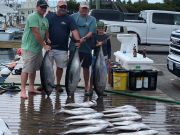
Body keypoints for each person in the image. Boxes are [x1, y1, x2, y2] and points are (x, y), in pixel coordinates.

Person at [46, 0, 81, 92]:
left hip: (62, 48)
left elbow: (74, 30)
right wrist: (47, 40)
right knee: (47, 67)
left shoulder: (69, 18)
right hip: (49, 47)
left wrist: (77, 40)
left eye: (64, 7)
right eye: (61, 6)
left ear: (66, 8)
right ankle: (46, 83)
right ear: (57, 7)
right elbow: (45, 29)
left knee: (60, 67)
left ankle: (57, 84)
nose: (63, 8)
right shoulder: (49, 16)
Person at [20, 0, 51, 99]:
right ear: (37, 7)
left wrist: (48, 39)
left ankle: (31, 88)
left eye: (45, 7)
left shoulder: (45, 20)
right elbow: (36, 33)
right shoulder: (33, 16)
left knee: (33, 69)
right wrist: (44, 46)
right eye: (42, 7)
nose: (43, 9)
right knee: (26, 69)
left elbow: (46, 31)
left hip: (37, 48)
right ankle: (22, 90)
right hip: (29, 47)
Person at [70, 1, 96, 96]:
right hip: (74, 46)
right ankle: (72, 85)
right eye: (82, 8)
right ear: (79, 8)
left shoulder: (92, 19)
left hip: (86, 47)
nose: (84, 10)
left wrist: (83, 39)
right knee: (73, 68)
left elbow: (91, 32)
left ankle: (86, 86)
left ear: (88, 9)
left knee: (86, 68)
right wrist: (77, 40)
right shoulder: (73, 17)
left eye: (86, 8)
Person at [90, 21, 111, 96]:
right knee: (94, 74)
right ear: (97, 29)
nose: (101, 29)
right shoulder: (94, 36)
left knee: (103, 74)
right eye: (99, 28)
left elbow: (109, 48)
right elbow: (91, 46)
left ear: (104, 28)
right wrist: (98, 45)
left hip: (104, 57)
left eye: (102, 28)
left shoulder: (107, 37)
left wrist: (109, 57)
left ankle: (102, 89)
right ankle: (90, 89)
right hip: (96, 57)